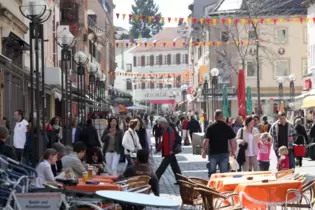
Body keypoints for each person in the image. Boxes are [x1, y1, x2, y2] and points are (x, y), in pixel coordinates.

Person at [202, 110, 237, 178]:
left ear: (215, 117)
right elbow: (232, 140)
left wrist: (203, 151)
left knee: (212, 173)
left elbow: (206, 140)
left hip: (213, 153)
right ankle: (223, 187)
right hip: (224, 153)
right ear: (222, 117)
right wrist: (233, 151)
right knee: (224, 174)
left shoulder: (210, 127)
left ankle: (212, 187)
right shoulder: (227, 127)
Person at [155, 117, 182, 185]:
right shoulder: (166, 129)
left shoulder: (170, 130)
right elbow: (164, 141)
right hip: (169, 151)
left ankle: (155, 179)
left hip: (169, 152)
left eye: (160, 124)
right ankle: (180, 180)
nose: (160, 126)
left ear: (164, 123)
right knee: (175, 167)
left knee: (162, 167)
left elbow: (171, 141)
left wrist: (171, 150)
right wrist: (158, 149)